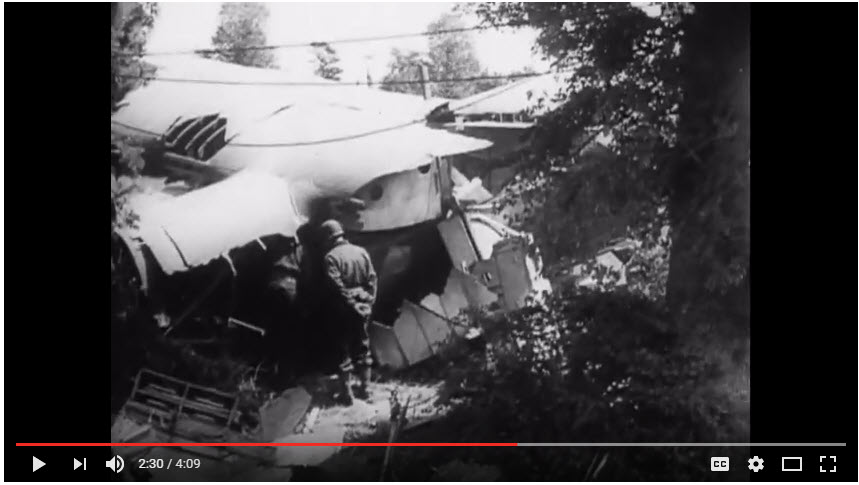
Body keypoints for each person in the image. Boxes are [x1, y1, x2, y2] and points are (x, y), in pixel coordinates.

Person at [319, 219, 377, 405]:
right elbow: (373, 280)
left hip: (342, 311)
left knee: (343, 351)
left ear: (328, 238)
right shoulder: (362, 252)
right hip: (363, 307)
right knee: (363, 346)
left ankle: (347, 394)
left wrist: (352, 304)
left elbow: (337, 287)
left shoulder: (331, 258)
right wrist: (368, 302)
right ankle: (366, 389)